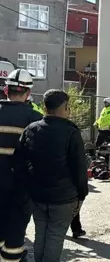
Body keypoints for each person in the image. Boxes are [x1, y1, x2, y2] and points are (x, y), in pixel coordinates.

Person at [18, 89, 88, 262]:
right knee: (55, 237)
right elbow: (79, 167)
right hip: (64, 197)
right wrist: (82, 194)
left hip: (38, 195)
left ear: (44, 107)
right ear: (65, 108)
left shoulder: (32, 129)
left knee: (40, 234)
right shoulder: (71, 132)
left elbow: (20, 162)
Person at [0, 69, 42, 262]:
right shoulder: (35, 118)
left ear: (6, 90)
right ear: (28, 94)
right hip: (20, 184)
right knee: (15, 232)